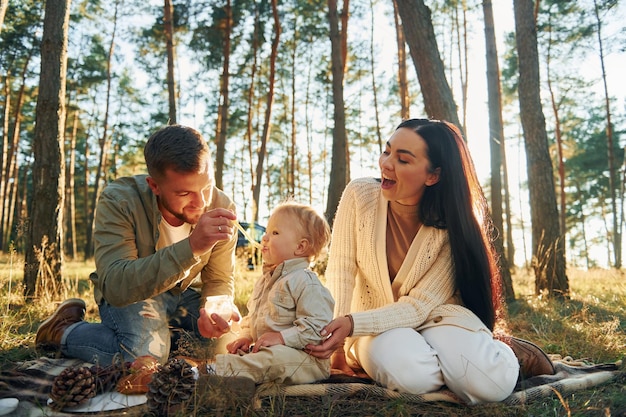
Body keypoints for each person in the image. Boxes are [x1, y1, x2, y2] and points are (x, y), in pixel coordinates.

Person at [306, 118, 555, 404]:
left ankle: (507, 354)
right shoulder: (359, 195)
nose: (386, 163)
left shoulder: (452, 226)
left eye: (403, 159)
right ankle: (453, 365)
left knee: (491, 385)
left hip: (436, 317)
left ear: (433, 175)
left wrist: (351, 324)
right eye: (387, 151)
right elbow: (342, 271)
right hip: (372, 325)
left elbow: (420, 305)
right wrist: (339, 345)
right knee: (410, 376)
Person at [36, 125, 240, 365]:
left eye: (207, 187)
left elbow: (219, 280)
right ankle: (64, 331)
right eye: (185, 193)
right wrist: (192, 247)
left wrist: (213, 310)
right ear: (154, 185)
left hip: (182, 295)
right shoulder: (120, 200)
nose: (201, 202)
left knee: (230, 342)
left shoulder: (222, 206)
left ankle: (163, 335)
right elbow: (116, 284)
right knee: (145, 357)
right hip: (132, 295)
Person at [210, 200, 334, 385]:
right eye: (266, 232)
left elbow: (318, 329)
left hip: (305, 360)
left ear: (300, 247)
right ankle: (233, 377)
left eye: (275, 233)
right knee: (245, 349)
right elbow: (255, 316)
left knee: (273, 359)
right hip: (269, 351)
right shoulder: (265, 281)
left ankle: (213, 372)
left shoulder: (305, 282)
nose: (265, 238)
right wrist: (246, 336)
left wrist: (282, 338)